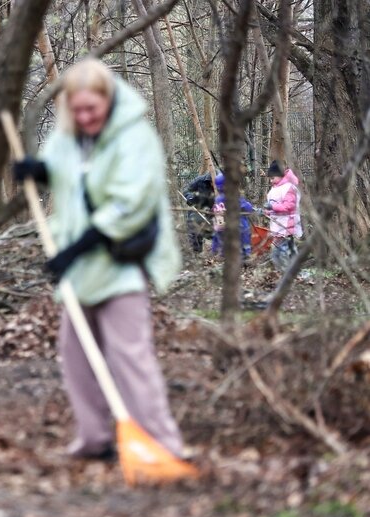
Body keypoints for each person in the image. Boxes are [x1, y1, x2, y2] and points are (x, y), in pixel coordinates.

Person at [13, 59, 188, 461]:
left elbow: (130, 204)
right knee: (75, 354)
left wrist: (74, 249)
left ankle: (163, 445)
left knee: (130, 355)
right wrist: (36, 170)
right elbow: (65, 177)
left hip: (122, 260)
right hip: (82, 269)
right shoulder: (66, 138)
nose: (85, 117)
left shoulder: (134, 138)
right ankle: (95, 439)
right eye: (77, 110)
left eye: (93, 108)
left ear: (108, 100)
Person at [265, 160, 303, 271]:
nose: (271, 181)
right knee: (278, 248)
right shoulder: (275, 188)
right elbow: (274, 204)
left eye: (272, 178)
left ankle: (290, 270)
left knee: (286, 249)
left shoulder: (289, 188)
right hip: (277, 224)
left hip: (288, 225)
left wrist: (272, 208)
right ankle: (281, 269)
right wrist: (268, 211)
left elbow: (289, 206)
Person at [211, 173, 254, 258]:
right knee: (244, 232)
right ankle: (245, 254)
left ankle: (218, 252)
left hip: (221, 223)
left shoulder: (218, 199)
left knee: (219, 234)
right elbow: (248, 208)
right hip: (236, 225)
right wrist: (247, 205)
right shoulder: (233, 197)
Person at [183, 173, 215, 253]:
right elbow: (186, 190)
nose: (213, 186)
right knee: (193, 226)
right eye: (211, 183)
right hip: (198, 209)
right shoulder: (200, 180)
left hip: (215, 211)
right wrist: (190, 198)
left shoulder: (223, 181)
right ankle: (196, 253)